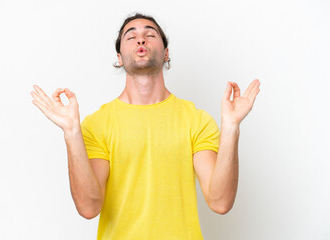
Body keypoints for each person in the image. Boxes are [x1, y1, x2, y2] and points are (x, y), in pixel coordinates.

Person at [30, 12, 260, 240]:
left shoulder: (196, 120)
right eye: (131, 36)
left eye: (150, 34)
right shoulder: (97, 124)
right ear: (119, 57)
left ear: (166, 53)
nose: (141, 39)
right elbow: (89, 208)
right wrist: (71, 133)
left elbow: (220, 202)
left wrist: (231, 127)